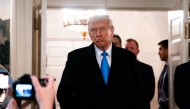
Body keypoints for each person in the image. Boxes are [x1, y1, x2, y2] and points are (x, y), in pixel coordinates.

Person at [57, 15, 145, 109]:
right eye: (93, 30)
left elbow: (138, 94)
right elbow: (64, 94)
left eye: (102, 29)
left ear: (112, 32)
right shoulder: (76, 58)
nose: (98, 34)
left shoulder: (128, 58)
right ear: (90, 34)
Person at [125, 38, 155, 109]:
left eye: (132, 48)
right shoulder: (118, 68)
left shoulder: (147, 69)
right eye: (126, 48)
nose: (128, 50)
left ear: (138, 51)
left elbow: (150, 92)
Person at [157, 40, 168, 109]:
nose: (158, 53)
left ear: (167, 50)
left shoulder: (174, 68)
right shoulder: (166, 67)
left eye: (160, 49)